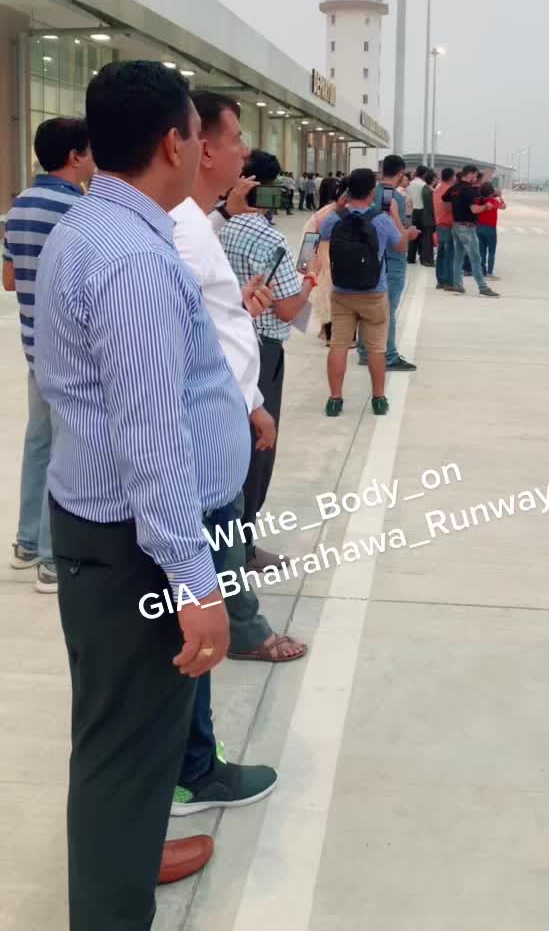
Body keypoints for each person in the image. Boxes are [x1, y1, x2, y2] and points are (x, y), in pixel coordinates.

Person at [33, 61, 276, 931]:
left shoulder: (91, 225)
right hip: (139, 541)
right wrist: (194, 581)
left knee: (124, 737)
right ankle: (111, 907)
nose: (210, 149)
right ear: (175, 143)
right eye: (202, 135)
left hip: (109, 525)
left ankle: (128, 859)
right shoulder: (135, 258)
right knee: (126, 745)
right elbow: (151, 435)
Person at [171, 92, 306, 665]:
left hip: (226, 403)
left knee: (224, 522)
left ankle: (239, 624)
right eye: (236, 139)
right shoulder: (179, 232)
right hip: (208, 412)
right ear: (202, 150)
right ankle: (241, 628)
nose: (245, 153)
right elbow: (186, 340)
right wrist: (249, 399)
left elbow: (208, 322)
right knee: (216, 528)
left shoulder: (201, 223)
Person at [3, 117, 95, 593]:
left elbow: (9, 280)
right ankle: (50, 559)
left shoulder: (19, 205)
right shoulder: (79, 209)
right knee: (65, 451)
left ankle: (25, 542)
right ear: (76, 156)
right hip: (67, 352)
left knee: (39, 442)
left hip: (33, 345)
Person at [221, 151, 318, 571]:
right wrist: (309, 282)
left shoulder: (215, 226)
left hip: (223, 345)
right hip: (261, 350)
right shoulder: (268, 238)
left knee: (228, 448)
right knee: (258, 451)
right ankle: (242, 548)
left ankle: (226, 544)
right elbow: (287, 308)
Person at [320, 168, 407, 417]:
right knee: (376, 348)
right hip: (374, 292)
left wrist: (339, 207)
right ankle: (378, 399)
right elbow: (400, 247)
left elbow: (320, 233)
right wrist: (397, 219)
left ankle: (335, 400)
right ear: (372, 191)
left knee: (339, 345)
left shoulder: (335, 218)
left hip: (342, 292)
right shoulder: (381, 219)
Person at [356, 154, 419, 372]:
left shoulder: (370, 193)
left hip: (369, 257)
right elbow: (394, 233)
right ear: (401, 173)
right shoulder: (395, 198)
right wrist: (408, 232)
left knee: (368, 308)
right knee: (388, 311)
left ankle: (364, 351)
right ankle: (389, 355)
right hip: (391, 260)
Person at [301, 176, 350, 345]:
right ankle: (332, 333)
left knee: (327, 296)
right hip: (329, 261)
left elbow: (310, 234)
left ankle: (328, 331)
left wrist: (304, 263)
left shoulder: (323, 213)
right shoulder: (332, 213)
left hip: (326, 263)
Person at [445, 165, 500, 297]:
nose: (475, 178)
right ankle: (483, 287)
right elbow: (474, 209)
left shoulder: (454, 188)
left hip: (456, 226)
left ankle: (458, 286)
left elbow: (445, 200)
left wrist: (457, 210)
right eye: (475, 176)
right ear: (470, 174)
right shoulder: (468, 190)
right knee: (475, 258)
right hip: (467, 227)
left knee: (458, 258)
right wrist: (486, 206)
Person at [475, 182, 506, 279]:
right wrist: (500, 196)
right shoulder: (493, 201)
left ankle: (482, 271)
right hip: (490, 228)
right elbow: (504, 206)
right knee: (491, 251)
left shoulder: (478, 201)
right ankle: (489, 273)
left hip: (479, 227)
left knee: (482, 251)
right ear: (491, 191)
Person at [433, 167, 456, 289]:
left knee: (441, 254)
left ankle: (440, 281)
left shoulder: (437, 189)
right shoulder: (449, 190)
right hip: (448, 224)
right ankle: (449, 282)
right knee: (449, 254)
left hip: (439, 223)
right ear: (452, 177)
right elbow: (449, 207)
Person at [406, 166, 428, 264]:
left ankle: (410, 258)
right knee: (423, 236)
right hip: (423, 211)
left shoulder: (410, 183)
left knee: (413, 235)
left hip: (414, 210)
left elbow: (408, 200)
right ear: (424, 174)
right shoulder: (423, 185)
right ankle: (423, 258)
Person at [419, 171, 436, 265]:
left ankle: (425, 259)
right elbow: (432, 207)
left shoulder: (425, 189)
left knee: (426, 240)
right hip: (429, 218)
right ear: (433, 179)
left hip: (426, 217)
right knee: (428, 241)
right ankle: (427, 260)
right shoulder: (429, 191)